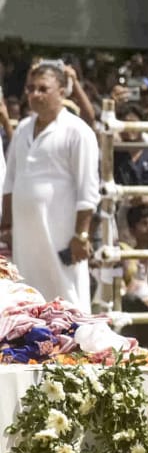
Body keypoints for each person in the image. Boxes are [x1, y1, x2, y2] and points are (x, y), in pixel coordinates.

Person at [1, 63, 99, 308]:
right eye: (31, 89)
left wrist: (81, 235)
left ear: (62, 92)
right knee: (27, 295)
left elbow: (88, 188)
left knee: (68, 297)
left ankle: (76, 345)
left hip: (62, 233)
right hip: (24, 234)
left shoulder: (78, 131)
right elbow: (10, 181)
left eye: (43, 89)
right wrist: (7, 226)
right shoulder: (23, 128)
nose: (35, 95)